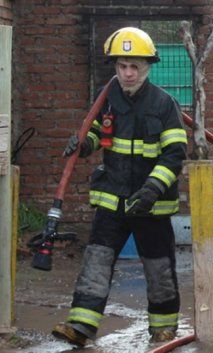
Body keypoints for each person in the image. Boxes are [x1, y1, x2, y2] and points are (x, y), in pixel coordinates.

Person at [52, 27, 187, 347]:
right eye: (122, 66)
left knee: (158, 268)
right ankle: (81, 326)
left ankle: (164, 328)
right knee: (96, 262)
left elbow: (175, 154)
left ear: (147, 66)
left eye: (135, 66)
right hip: (112, 199)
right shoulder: (107, 99)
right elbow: (99, 134)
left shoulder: (165, 104)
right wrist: (83, 144)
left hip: (150, 204)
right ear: (115, 67)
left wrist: (152, 189)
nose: (128, 73)